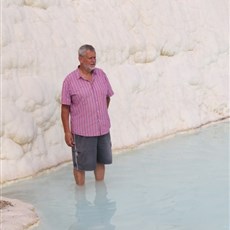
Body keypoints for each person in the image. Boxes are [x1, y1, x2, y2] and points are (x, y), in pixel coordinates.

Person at [61, 44, 114, 186]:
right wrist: (67, 131)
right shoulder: (70, 81)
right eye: (90, 58)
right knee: (80, 166)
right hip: (82, 132)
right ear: (80, 59)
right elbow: (65, 108)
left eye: (94, 57)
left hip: (102, 129)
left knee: (101, 161)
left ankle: (100, 194)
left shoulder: (101, 74)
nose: (93, 61)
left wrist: (100, 114)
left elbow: (107, 97)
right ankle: (80, 196)